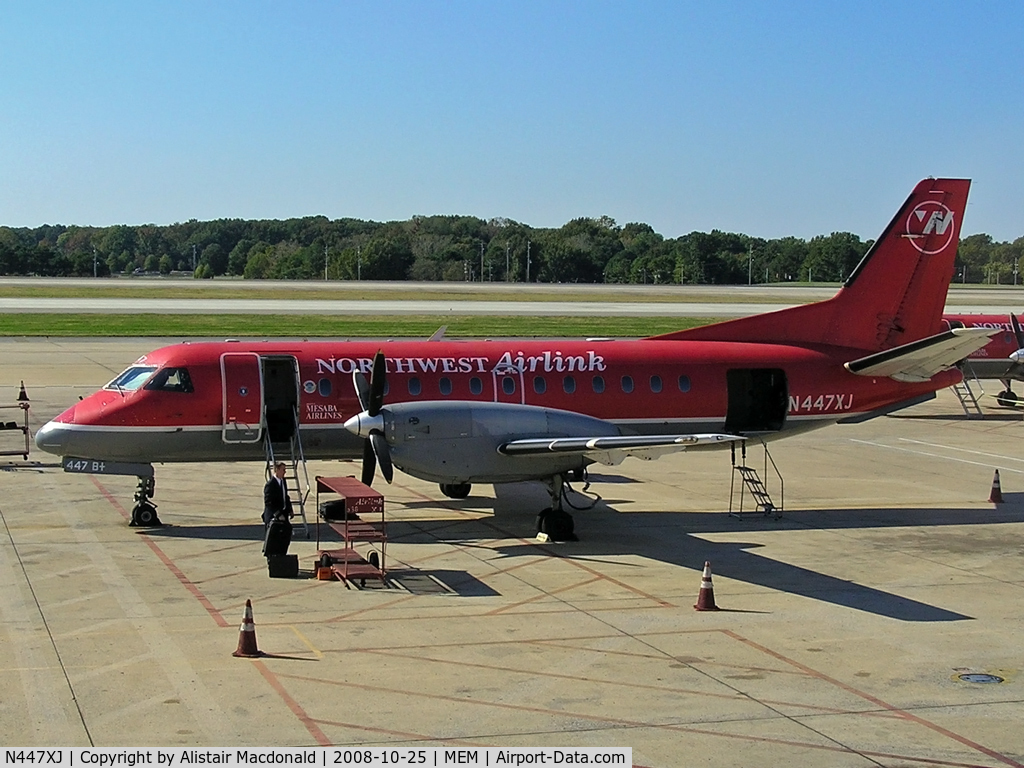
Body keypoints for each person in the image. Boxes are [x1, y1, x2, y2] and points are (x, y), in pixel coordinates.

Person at [263, 462, 293, 527]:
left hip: (283, 513)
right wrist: (278, 514)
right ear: (277, 470)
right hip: (273, 515)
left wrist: (290, 509)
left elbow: (285, 496)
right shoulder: (270, 485)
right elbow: (268, 502)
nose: (285, 472)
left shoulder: (283, 481)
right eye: (283, 470)